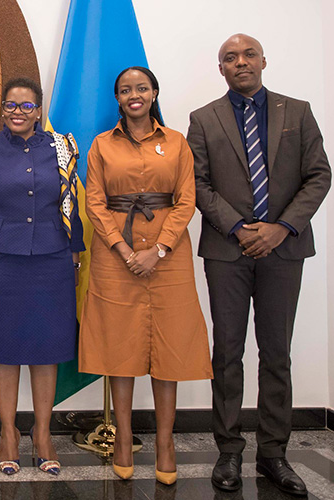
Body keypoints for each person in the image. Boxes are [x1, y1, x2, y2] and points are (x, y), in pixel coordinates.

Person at [187, 34, 330, 496]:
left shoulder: (298, 111)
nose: (241, 62)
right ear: (221, 69)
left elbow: (318, 175)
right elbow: (199, 185)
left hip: (283, 250)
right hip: (227, 252)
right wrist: (240, 228)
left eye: (248, 55)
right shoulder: (203, 119)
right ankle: (229, 451)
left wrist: (280, 228)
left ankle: (274, 455)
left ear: (263, 61)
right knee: (227, 353)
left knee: (276, 355)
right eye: (230, 58)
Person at [79, 66, 212, 485]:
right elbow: (95, 202)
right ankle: (122, 439)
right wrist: (122, 248)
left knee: (170, 346)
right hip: (113, 257)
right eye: (124, 90)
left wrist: (159, 249)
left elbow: (187, 200)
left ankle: (166, 442)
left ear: (154, 93)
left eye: (141, 88)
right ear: (117, 99)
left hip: (167, 257)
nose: (133, 95)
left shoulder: (177, 143)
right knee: (119, 344)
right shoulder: (101, 145)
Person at [0, 78, 84, 476]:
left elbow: (70, 204)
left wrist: (75, 256)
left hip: (52, 261)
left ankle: (43, 434)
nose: (17, 112)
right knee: (5, 349)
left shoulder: (61, 148)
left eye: (26, 106)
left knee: (47, 352)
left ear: (39, 110)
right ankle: (8, 433)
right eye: (11, 105)